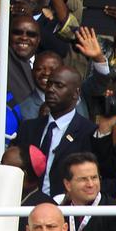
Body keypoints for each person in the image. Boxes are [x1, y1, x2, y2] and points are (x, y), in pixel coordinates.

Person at [12, 66, 106, 198]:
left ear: (75, 93)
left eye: (59, 85)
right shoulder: (28, 128)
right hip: (27, 208)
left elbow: (107, 178)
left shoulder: (89, 132)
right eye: (49, 84)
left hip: (68, 210)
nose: (50, 89)